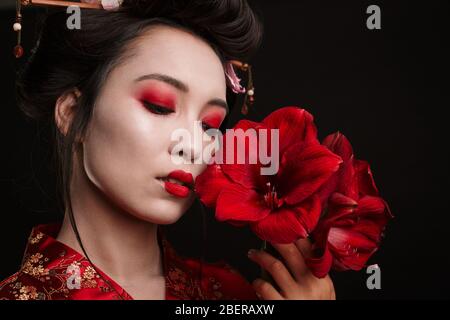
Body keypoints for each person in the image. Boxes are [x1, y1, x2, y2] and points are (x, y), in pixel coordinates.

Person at [0, 0, 335, 300]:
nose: (192, 147)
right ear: (72, 113)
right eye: (159, 106)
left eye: (210, 126)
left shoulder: (233, 294)